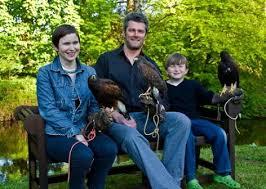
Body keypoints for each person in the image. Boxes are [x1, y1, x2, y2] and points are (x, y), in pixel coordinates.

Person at [94, 12, 191, 189]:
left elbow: (163, 98)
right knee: (131, 135)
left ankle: (171, 180)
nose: (136, 34)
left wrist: (157, 107)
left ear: (145, 35)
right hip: (117, 122)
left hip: (147, 118)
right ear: (124, 32)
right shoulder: (106, 60)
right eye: (132, 30)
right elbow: (94, 95)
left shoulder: (150, 64)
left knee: (181, 121)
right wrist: (115, 115)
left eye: (140, 31)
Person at [36, 24, 118, 189]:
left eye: (75, 42)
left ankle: (95, 186)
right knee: (82, 155)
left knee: (109, 149)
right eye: (66, 43)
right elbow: (48, 110)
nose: (72, 48)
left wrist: (102, 115)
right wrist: (74, 132)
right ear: (56, 47)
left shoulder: (89, 72)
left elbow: (93, 105)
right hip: (56, 134)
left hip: (85, 130)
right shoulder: (45, 73)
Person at [164, 53, 241, 189]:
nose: (177, 69)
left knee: (219, 133)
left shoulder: (193, 85)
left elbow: (211, 98)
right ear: (166, 70)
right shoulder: (163, 88)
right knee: (187, 139)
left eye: (180, 66)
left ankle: (222, 173)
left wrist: (230, 94)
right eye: (173, 66)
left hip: (195, 121)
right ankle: (191, 178)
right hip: (176, 125)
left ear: (186, 70)